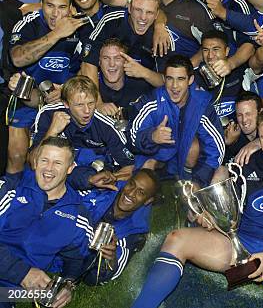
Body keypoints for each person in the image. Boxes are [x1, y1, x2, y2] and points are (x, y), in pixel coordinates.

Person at [130, 108, 263, 308]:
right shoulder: (247, 162)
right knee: (177, 239)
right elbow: (225, 200)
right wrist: (208, 214)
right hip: (241, 243)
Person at [0, 136, 93, 308]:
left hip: (12, 292)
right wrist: (22, 274)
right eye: (44, 160)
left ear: (70, 168)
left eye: (58, 163)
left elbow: (75, 260)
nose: (48, 169)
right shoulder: (10, 188)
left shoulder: (78, 217)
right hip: (18, 274)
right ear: (35, 161)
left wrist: (67, 284)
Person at [8, 0, 90, 173]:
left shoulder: (82, 27)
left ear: (71, 7)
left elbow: (87, 69)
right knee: (18, 156)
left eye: (62, 7)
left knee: (61, 158)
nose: (55, 14)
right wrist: (57, 34)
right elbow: (17, 59)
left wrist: (65, 89)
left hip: (64, 100)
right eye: (50, 6)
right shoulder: (29, 23)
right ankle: (12, 194)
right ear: (41, 4)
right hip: (28, 97)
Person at [128, 55, 224, 187]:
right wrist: (152, 136)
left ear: (190, 80)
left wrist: (198, 181)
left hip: (186, 156)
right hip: (159, 156)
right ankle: (153, 188)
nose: (174, 86)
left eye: (180, 79)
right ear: (164, 79)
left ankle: (187, 181)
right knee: (147, 165)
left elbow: (215, 148)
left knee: (194, 147)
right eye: (170, 79)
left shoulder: (200, 105)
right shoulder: (152, 101)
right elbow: (132, 137)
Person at [31, 75, 134, 171]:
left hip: (93, 175)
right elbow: (33, 163)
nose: (87, 111)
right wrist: (52, 132)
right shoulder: (48, 114)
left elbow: (130, 167)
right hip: (55, 171)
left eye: (91, 103)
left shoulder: (107, 127)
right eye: (79, 105)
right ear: (66, 104)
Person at [79, 169, 159, 285]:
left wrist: (110, 261)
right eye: (131, 184)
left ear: (148, 201)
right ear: (127, 181)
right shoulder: (105, 188)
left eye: (140, 192)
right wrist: (88, 179)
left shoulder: (133, 234)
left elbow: (97, 278)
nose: (131, 193)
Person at [196, 29, 263, 119]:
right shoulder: (194, 77)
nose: (210, 55)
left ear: (227, 51)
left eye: (216, 49)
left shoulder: (239, 71)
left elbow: (260, 61)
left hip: (240, 128)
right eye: (205, 50)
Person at [96, 38, 153, 118]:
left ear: (125, 61)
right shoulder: (92, 87)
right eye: (106, 58)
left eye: (117, 58)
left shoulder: (141, 84)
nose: (112, 64)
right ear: (99, 62)